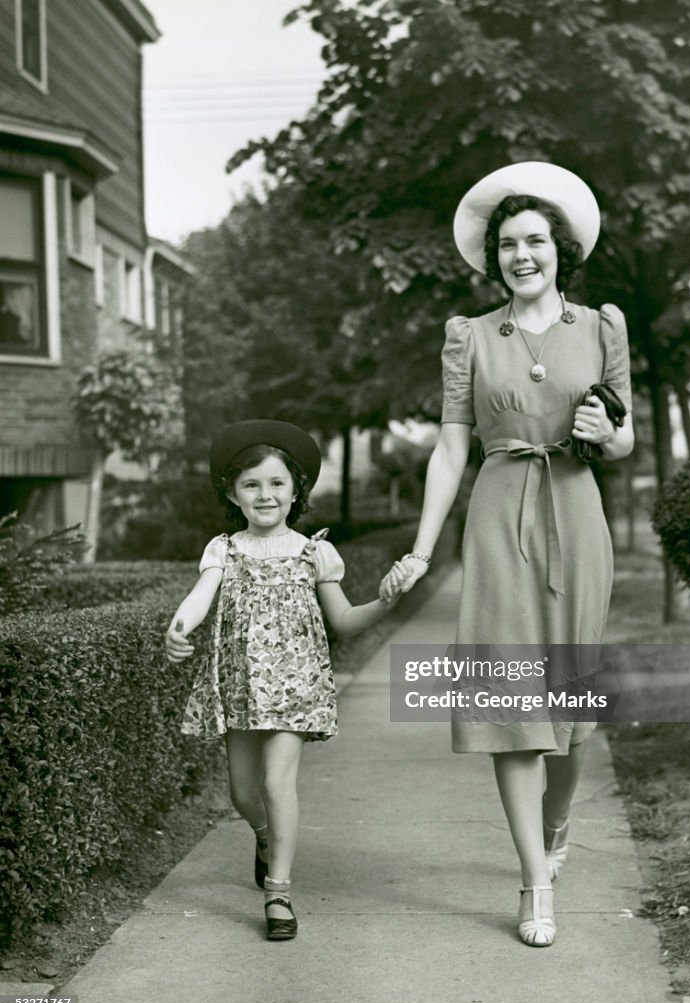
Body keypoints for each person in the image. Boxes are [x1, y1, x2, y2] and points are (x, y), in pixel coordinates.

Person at [381, 162, 634, 947]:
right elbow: (452, 448)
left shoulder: (602, 328)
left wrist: (608, 437)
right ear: (493, 258)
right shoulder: (469, 337)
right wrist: (423, 551)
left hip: (576, 517)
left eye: (535, 241)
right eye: (508, 245)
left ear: (560, 249)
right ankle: (533, 883)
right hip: (497, 521)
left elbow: (626, 436)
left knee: (570, 713)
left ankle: (558, 823)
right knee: (510, 703)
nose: (522, 255)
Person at [166, 420, 408, 941]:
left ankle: (279, 894)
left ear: (296, 490)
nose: (265, 494)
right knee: (242, 793)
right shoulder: (224, 550)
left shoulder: (314, 553)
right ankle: (262, 836)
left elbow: (342, 620)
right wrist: (178, 627)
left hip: (294, 690)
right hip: (238, 687)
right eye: (251, 484)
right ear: (233, 493)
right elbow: (200, 597)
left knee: (278, 785)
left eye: (276, 483)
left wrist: (386, 602)